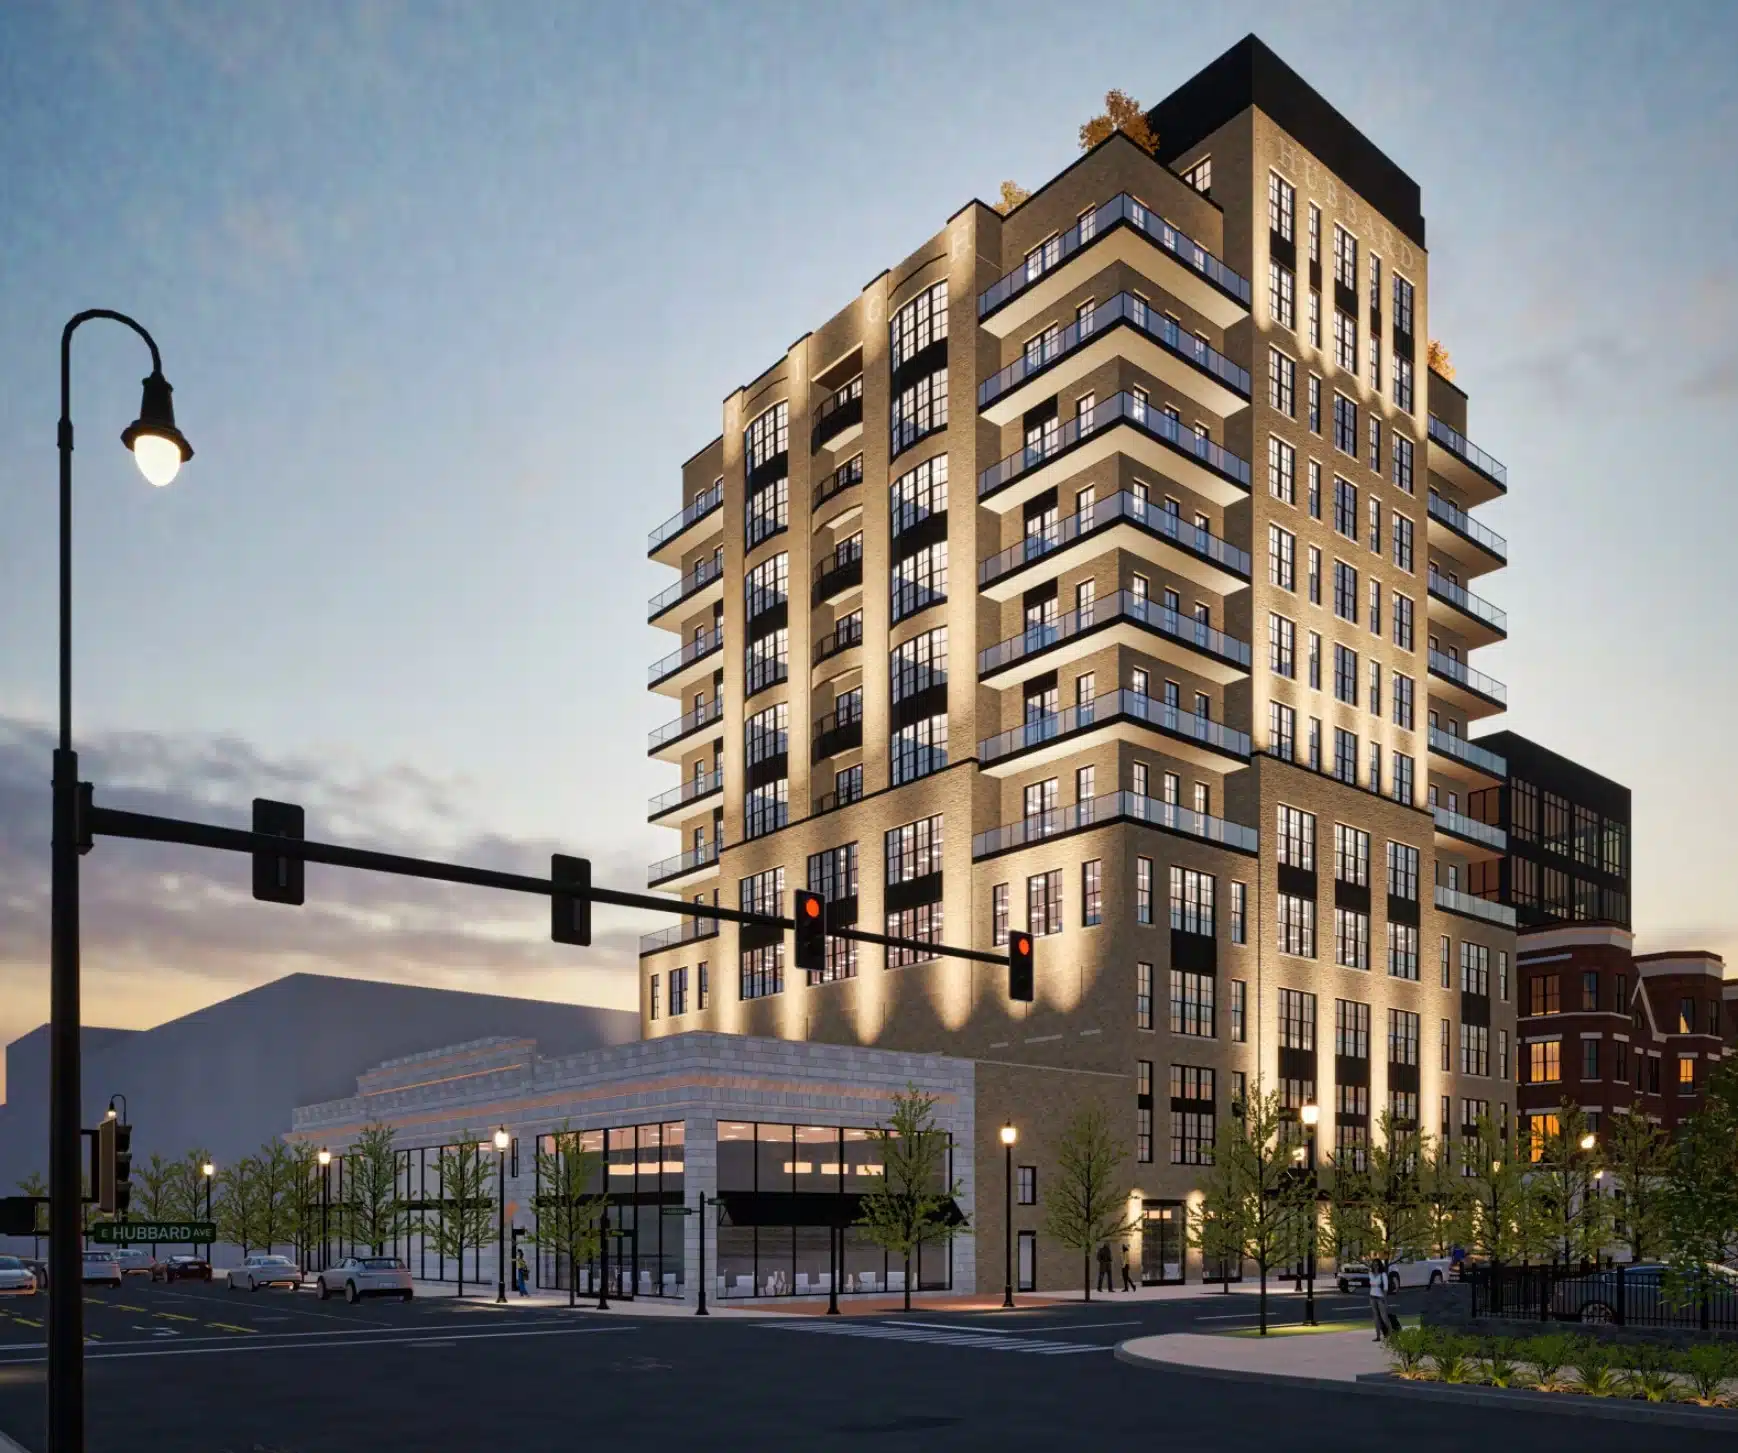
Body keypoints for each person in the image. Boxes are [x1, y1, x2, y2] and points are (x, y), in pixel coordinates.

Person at [1368, 1259, 1393, 1341]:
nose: (1375, 1266)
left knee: (1384, 1317)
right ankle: (1378, 1336)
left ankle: (1391, 1334)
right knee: (1376, 1317)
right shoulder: (1370, 1274)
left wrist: (1384, 1299)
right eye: (1374, 1264)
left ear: (1379, 1265)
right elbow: (1371, 1285)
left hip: (1380, 1297)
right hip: (1372, 1296)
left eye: (1377, 1264)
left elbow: (1385, 1288)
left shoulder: (1383, 1275)